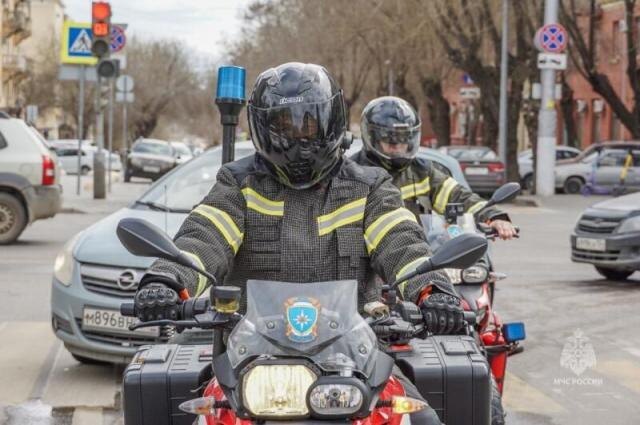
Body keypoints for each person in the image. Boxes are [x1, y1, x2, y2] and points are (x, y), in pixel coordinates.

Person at [134, 63, 461, 424]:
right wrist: (167, 280)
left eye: (308, 125)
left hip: (356, 355)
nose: (298, 140)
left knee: (422, 420)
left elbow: (401, 242)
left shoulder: (369, 188)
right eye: (284, 126)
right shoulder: (239, 186)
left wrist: (431, 291)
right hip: (250, 358)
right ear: (262, 128)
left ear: (332, 123)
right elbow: (203, 237)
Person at [352, 96, 517, 240]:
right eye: (390, 140)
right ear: (372, 138)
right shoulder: (351, 174)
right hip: (370, 260)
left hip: (419, 256)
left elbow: (459, 196)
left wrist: (494, 216)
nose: (398, 147)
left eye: (404, 139)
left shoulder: (422, 172)